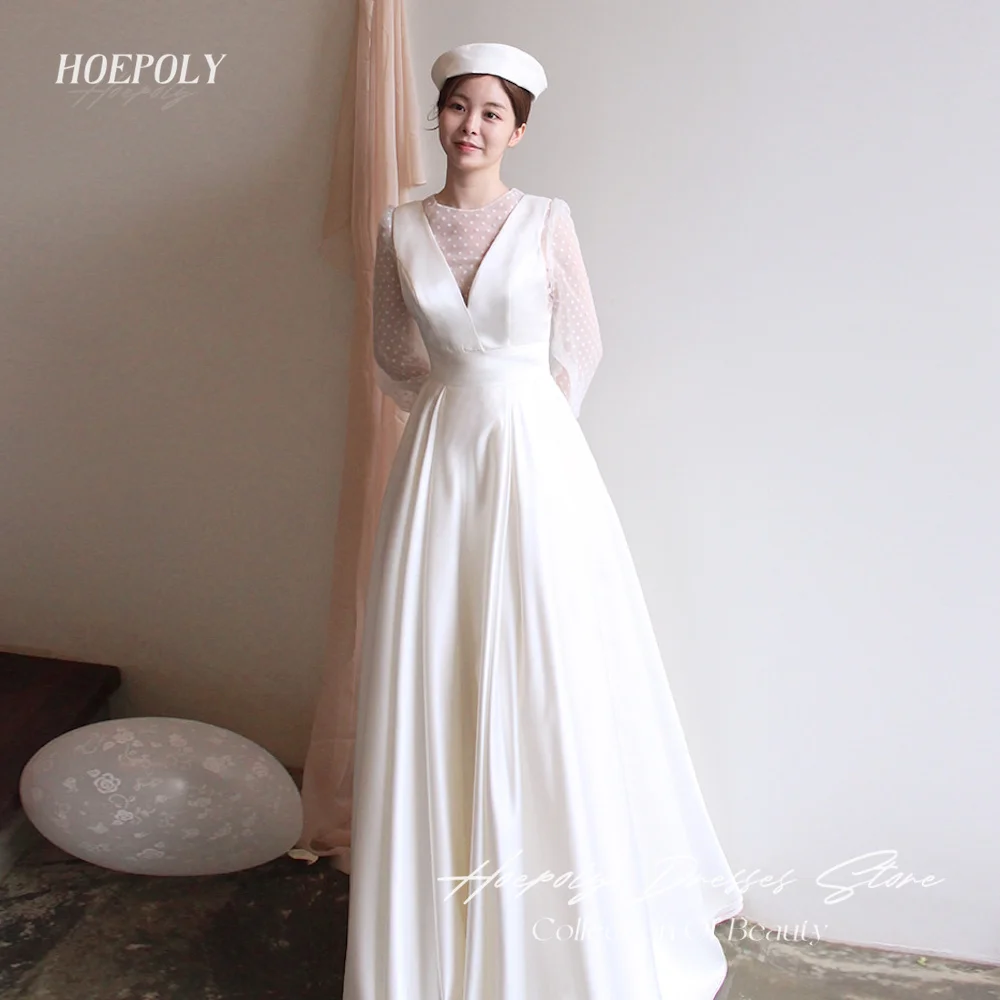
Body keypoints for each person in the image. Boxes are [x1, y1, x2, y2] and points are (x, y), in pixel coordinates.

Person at [342, 41, 744, 1000]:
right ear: (438, 116)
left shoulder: (547, 220)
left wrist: (531, 428)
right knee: (441, 655)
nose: (471, 126)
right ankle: (439, 933)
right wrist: (456, 409)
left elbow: (583, 346)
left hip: (536, 455)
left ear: (517, 130)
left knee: (546, 658)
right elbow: (393, 356)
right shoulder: (399, 228)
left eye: (492, 112)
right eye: (458, 107)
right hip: (441, 463)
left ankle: (558, 926)